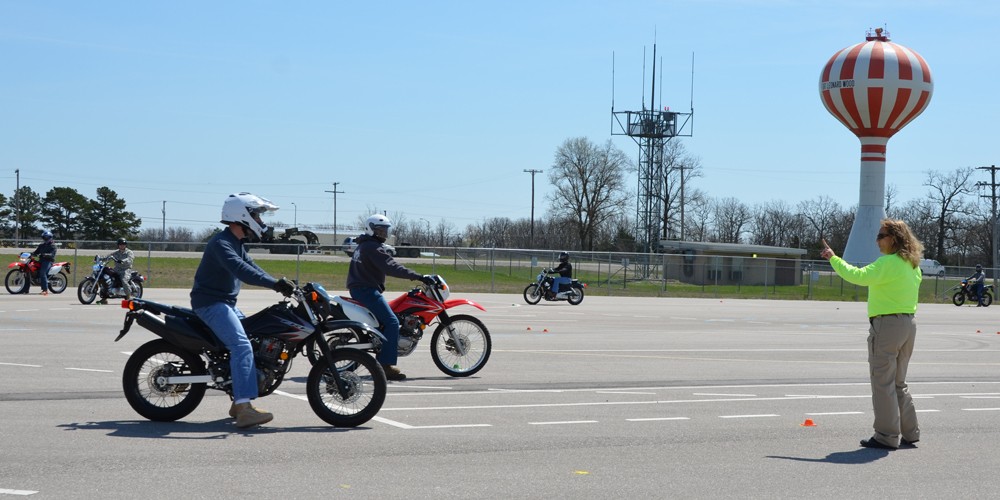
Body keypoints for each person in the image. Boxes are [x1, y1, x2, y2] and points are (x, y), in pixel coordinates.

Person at [190, 192, 296, 429]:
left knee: (253, 339)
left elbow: (251, 266)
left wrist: (280, 283)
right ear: (242, 216)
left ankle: (238, 400)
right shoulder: (222, 243)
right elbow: (242, 270)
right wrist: (274, 284)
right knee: (241, 345)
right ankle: (244, 408)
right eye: (256, 215)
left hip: (225, 304)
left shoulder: (235, 242)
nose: (260, 221)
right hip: (211, 304)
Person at [820, 219, 922, 450]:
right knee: (899, 383)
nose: (876, 240)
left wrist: (833, 258)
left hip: (887, 326)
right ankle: (911, 432)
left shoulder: (887, 263)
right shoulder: (913, 265)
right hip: (908, 324)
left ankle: (886, 435)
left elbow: (858, 276)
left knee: (882, 382)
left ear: (893, 239)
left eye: (881, 236)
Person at [347, 214, 434, 381]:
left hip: (360, 289)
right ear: (370, 229)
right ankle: (385, 366)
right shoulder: (372, 247)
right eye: (380, 230)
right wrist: (418, 276)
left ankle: (381, 348)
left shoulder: (364, 245)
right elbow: (392, 267)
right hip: (366, 290)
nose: (384, 233)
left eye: (385, 230)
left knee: (386, 320)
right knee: (392, 322)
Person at [97, 237, 136, 304]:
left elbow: (130, 259)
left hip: (126, 270)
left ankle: (128, 297)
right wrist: (100, 259)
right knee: (107, 280)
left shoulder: (129, 252)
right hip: (116, 269)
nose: (122, 245)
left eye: (123, 244)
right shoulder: (116, 252)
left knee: (124, 280)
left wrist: (123, 261)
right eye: (120, 244)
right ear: (118, 245)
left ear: (126, 245)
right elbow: (108, 257)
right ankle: (104, 298)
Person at [30, 230, 57, 296]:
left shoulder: (53, 246)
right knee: (30, 268)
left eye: (46, 237)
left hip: (48, 261)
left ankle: (45, 290)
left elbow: (52, 254)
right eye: (44, 237)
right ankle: (25, 289)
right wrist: (29, 254)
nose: (45, 239)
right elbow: (36, 252)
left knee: (43, 272)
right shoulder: (41, 245)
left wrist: (45, 254)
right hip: (41, 260)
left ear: (50, 237)